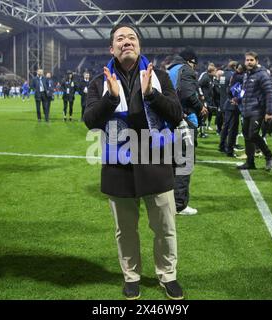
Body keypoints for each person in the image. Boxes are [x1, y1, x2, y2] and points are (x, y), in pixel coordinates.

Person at [84, 23, 184, 300]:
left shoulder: (159, 77)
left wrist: (152, 94)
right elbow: (90, 122)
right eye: (120, 38)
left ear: (139, 45)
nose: (126, 41)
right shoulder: (98, 81)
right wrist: (111, 98)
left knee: (165, 226)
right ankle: (131, 277)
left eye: (131, 37)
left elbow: (176, 115)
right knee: (125, 229)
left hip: (156, 160)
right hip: (118, 165)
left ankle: (168, 275)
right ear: (111, 48)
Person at [167, 47, 207, 216]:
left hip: (169, 120)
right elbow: (188, 95)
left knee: (173, 162)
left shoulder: (170, 70)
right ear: (191, 61)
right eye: (194, 65)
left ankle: (168, 200)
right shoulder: (186, 71)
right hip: (184, 121)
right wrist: (201, 108)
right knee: (184, 162)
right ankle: (179, 205)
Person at [236, 52, 272, 171]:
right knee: (247, 136)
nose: (249, 62)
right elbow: (245, 91)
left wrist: (269, 112)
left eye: (251, 60)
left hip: (257, 110)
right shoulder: (246, 75)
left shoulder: (262, 75)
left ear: (256, 61)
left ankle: (269, 156)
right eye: (247, 60)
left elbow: (269, 93)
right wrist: (238, 99)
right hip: (246, 110)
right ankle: (250, 162)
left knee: (253, 134)